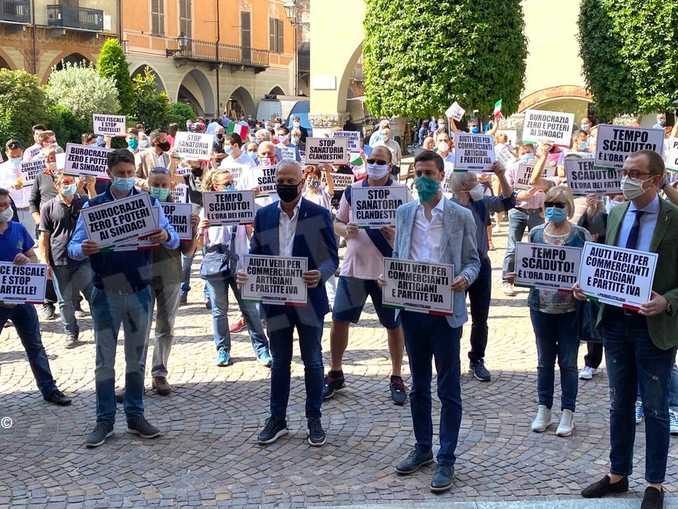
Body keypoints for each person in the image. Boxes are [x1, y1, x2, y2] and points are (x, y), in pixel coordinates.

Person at [576, 150, 678, 509]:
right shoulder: (617, 212)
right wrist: (587, 283)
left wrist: (667, 301)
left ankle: (655, 483)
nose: (627, 179)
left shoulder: (674, 219)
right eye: (624, 172)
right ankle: (618, 475)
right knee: (619, 402)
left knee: (655, 406)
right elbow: (610, 263)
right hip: (616, 323)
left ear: (655, 178)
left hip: (654, 327)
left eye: (636, 173)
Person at [68, 149, 179, 448]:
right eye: (121, 174)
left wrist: (164, 237)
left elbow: (175, 237)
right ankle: (104, 420)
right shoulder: (93, 207)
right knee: (104, 360)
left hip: (140, 292)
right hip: (105, 292)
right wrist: (85, 249)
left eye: (130, 174)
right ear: (110, 174)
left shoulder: (150, 203)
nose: (126, 179)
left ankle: (135, 415)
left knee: (137, 358)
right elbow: (73, 247)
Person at [385, 150, 479, 493]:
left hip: (445, 314)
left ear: (441, 175)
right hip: (412, 311)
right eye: (418, 173)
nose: (422, 179)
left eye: (428, 173)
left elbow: (474, 261)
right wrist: (389, 278)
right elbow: (399, 257)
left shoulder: (460, 216)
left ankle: (447, 457)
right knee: (420, 384)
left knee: (448, 388)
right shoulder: (405, 212)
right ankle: (423, 447)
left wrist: (465, 279)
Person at [237, 160, 338, 447]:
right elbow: (256, 253)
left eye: (290, 180)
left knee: (313, 361)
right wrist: (247, 272)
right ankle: (277, 419)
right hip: (275, 302)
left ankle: (314, 418)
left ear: (301, 182)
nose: (285, 184)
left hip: (309, 301)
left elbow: (331, 258)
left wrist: (321, 274)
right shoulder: (265, 215)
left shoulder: (318, 214)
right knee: (280, 362)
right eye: (280, 179)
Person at [324, 145, 409, 405]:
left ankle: (396, 375)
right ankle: (336, 371)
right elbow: (337, 222)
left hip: (387, 269)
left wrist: (395, 234)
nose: (374, 164)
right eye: (371, 160)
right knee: (339, 320)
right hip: (354, 267)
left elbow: (411, 230)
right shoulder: (353, 190)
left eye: (380, 161)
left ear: (390, 163)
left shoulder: (402, 193)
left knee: (393, 325)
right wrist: (344, 229)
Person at [510, 186, 590, 437]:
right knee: (544, 362)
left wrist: (582, 289)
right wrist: (518, 275)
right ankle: (543, 408)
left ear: (568, 208)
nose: (554, 210)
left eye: (559, 205)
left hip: (569, 310)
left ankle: (568, 412)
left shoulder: (581, 235)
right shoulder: (534, 233)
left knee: (568, 362)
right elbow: (527, 265)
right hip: (540, 307)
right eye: (549, 205)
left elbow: (590, 273)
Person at [0, 188, 72, 406]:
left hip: (21, 300)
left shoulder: (19, 229)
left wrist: (28, 261)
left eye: (6, 204)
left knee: (35, 346)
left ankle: (49, 389)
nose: (4, 209)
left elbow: (33, 256)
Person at [196, 169, 272, 368]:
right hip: (216, 266)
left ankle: (262, 349)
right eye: (226, 184)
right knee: (219, 311)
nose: (230, 186)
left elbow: (253, 240)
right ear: (215, 187)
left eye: (232, 182)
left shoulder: (243, 206)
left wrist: (249, 227)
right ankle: (222, 350)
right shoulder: (207, 209)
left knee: (250, 309)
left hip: (241, 266)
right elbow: (198, 246)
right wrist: (201, 229)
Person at [451, 163, 515, 382]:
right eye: (474, 183)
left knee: (481, 317)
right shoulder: (448, 207)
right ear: (463, 187)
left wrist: (501, 175)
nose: (479, 185)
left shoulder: (481, 203)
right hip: (456, 267)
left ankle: (477, 358)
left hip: (481, 265)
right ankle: (451, 359)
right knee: (454, 315)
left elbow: (507, 201)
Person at [144, 167, 199, 395]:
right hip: (142, 275)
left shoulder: (181, 211)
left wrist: (194, 229)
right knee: (139, 327)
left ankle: (159, 373)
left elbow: (188, 251)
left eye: (164, 185)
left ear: (171, 186)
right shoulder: (138, 208)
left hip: (170, 275)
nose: (159, 188)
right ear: (148, 184)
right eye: (155, 184)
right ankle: (134, 376)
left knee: (166, 326)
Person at [38, 173, 92, 347]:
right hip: (59, 260)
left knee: (94, 295)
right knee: (64, 300)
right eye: (64, 183)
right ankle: (71, 332)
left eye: (71, 182)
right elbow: (44, 237)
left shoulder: (83, 201)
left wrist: (90, 187)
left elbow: (99, 210)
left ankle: (103, 326)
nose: (68, 185)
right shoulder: (48, 207)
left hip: (83, 259)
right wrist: (45, 262)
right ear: (56, 186)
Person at [502, 143, 546, 296]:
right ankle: (507, 281)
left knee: (538, 248)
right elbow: (507, 192)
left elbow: (550, 187)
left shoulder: (543, 169)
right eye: (524, 151)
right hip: (518, 211)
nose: (527, 154)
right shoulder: (512, 169)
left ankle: (535, 281)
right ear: (518, 153)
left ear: (535, 152)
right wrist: (520, 196)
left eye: (529, 151)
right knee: (513, 247)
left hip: (537, 212)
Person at [577, 194, 607, 381]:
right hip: (595, 266)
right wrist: (591, 212)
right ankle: (591, 362)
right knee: (593, 315)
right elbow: (587, 232)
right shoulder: (596, 210)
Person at [0, 139, 34, 234]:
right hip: (11, 210)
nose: (15, 158)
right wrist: (10, 186)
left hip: (29, 208)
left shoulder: (30, 166)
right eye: (12, 156)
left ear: (22, 152)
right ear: (6, 153)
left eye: (18, 156)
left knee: (31, 238)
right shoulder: (2, 169)